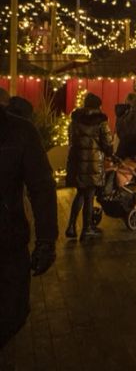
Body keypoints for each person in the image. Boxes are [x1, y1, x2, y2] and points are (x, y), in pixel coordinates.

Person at [0, 104, 57, 349]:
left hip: (7, 242)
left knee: (11, 314)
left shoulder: (19, 131)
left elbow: (41, 187)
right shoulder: (20, 130)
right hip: (9, 239)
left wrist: (46, 240)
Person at [65, 92, 114, 241]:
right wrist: (109, 152)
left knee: (80, 193)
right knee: (89, 195)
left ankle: (71, 226)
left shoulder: (75, 120)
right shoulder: (101, 121)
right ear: (98, 105)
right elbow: (107, 143)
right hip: (93, 162)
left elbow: (71, 139)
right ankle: (87, 229)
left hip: (77, 160)